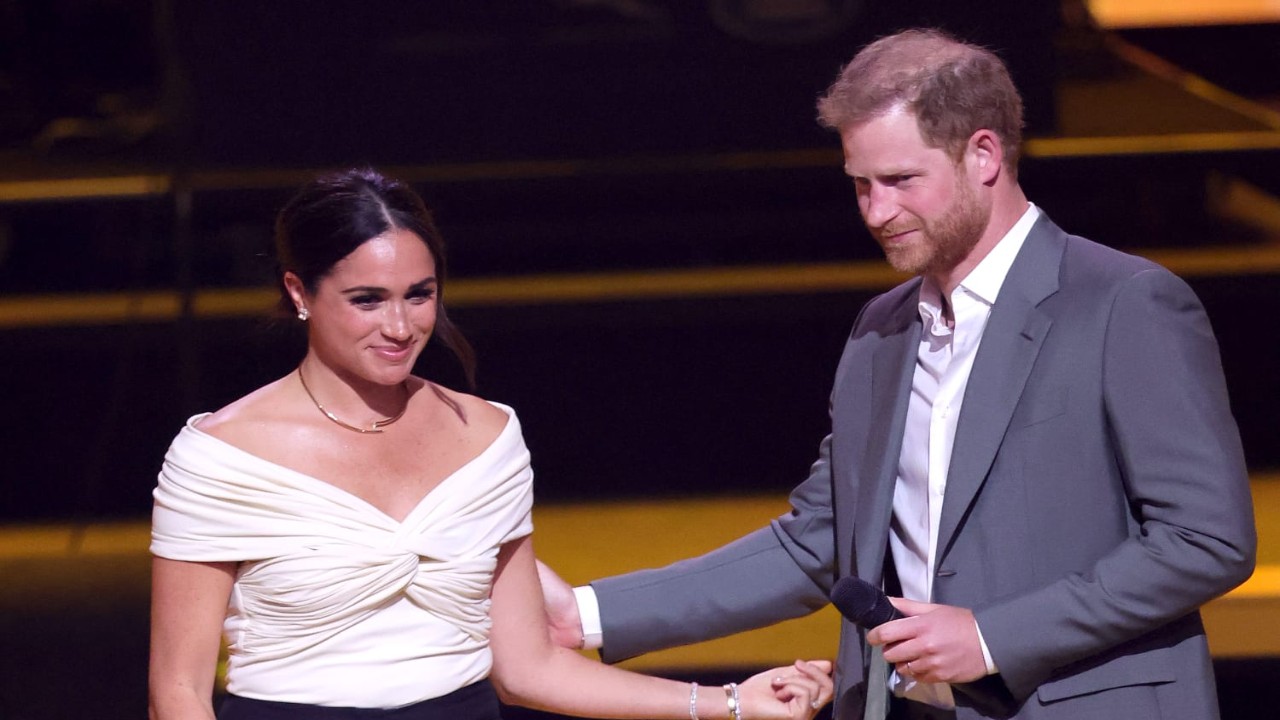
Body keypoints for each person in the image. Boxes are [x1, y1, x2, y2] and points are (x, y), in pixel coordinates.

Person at [537, 28, 1256, 720]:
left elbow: (1206, 541)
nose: (878, 212)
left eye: (901, 180)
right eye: (860, 186)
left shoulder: (1122, 302)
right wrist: (587, 614)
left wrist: (989, 636)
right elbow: (819, 541)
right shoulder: (881, 330)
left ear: (983, 154)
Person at [148, 168, 834, 720]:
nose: (400, 325)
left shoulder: (487, 435)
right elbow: (177, 694)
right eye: (366, 299)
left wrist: (728, 702)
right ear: (299, 292)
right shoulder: (221, 457)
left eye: (419, 295)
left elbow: (528, 666)